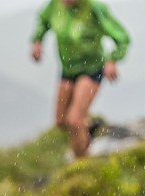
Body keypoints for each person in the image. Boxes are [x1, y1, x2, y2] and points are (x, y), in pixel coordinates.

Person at [31, 0, 130, 159]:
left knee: (74, 120)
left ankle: (82, 164)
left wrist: (112, 60)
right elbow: (43, 20)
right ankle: (90, 128)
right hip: (68, 69)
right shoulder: (55, 5)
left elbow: (122, 37)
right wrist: (37, 41)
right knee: (61, 121)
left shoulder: (94, 8)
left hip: (91, 69)